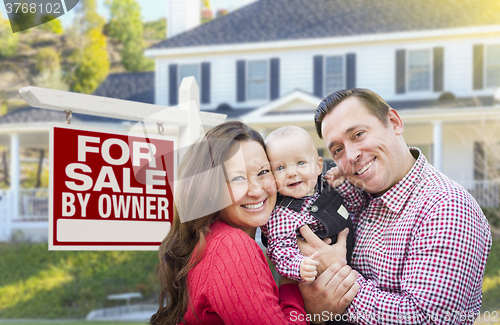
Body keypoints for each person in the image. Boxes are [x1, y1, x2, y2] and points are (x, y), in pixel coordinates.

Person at [297, 88, 492, 324]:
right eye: (337, 149)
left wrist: (335, 279)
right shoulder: (355, 196)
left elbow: (428, 319)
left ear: (394, 122)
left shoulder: (446, 207)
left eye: (358, 134)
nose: (350, 155)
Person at [149, 121, 359, 325]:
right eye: (238, 178)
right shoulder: (232, 247)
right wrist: (309, 308)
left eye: (263, 172)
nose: (257, 190)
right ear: (211, 189)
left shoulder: (211, 238)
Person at [261, 126, 354, 283]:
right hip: (319, 280)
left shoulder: (326, 188)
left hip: (356, 266)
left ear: (318, 166)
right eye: (280, 167)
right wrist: (299, 266)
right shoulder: (281, 214)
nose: (291, 172)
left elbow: (354, 206)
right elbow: (280, 251)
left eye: (301, 163)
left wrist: (342, 185)